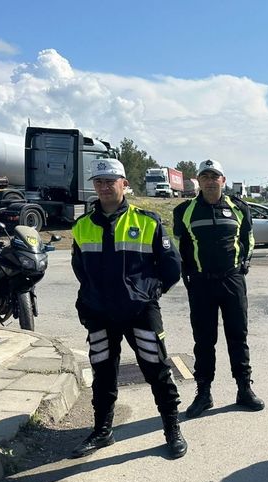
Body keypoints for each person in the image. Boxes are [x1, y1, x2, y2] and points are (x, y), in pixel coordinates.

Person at [70, 158, 187, 459]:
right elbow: (80, 269)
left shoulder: (147, 221)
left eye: (111, 181)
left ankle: (172, 429)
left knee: (157, 370)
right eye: (99, 182)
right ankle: (102, 432)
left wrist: (150, 293)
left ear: (124, 184)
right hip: (99, 314)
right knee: (103, 373)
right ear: (93, 186)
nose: (105, 187)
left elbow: (172, 267)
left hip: (140, 314)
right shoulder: (82, 226)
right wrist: (92, 297)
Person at [173, 158, 263, 418]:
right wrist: (187, 273)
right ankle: (203, 393)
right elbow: (183, 246)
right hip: (201, 283)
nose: (210, 181)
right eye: (205, 177)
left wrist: (244, 264)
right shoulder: (185, 211)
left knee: (238, 336)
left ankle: (244, 389)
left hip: (232, 280)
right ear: (198, 181)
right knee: (203, 340)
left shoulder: (238, 207)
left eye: (215, 177)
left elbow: (248, 238)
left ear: (223, 180)